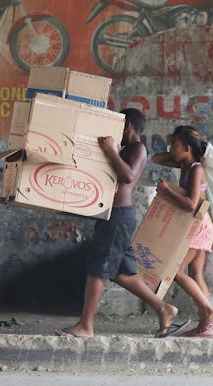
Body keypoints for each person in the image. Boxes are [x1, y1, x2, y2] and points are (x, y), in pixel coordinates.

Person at [56, 108, 187, 338]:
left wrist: (109, 151)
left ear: (127, 126)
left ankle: (86, 326)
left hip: (118, 216)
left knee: (96, 269)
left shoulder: (138, 149)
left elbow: (127, 175)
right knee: (121, 273)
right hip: (113, 215)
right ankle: (164, 308)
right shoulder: (125, 149)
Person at [152, 125, 213, 338]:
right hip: (200, 227)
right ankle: (206, 325)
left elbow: (192, 204)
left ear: (186, 147)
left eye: (174, 144)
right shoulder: (185, 164)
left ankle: (210, 311)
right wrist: (178, 153)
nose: (170, 148)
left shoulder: (196, 169)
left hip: (198, 228)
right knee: (195, 274)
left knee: (177, 271)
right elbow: (157, 158)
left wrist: (166, 191)